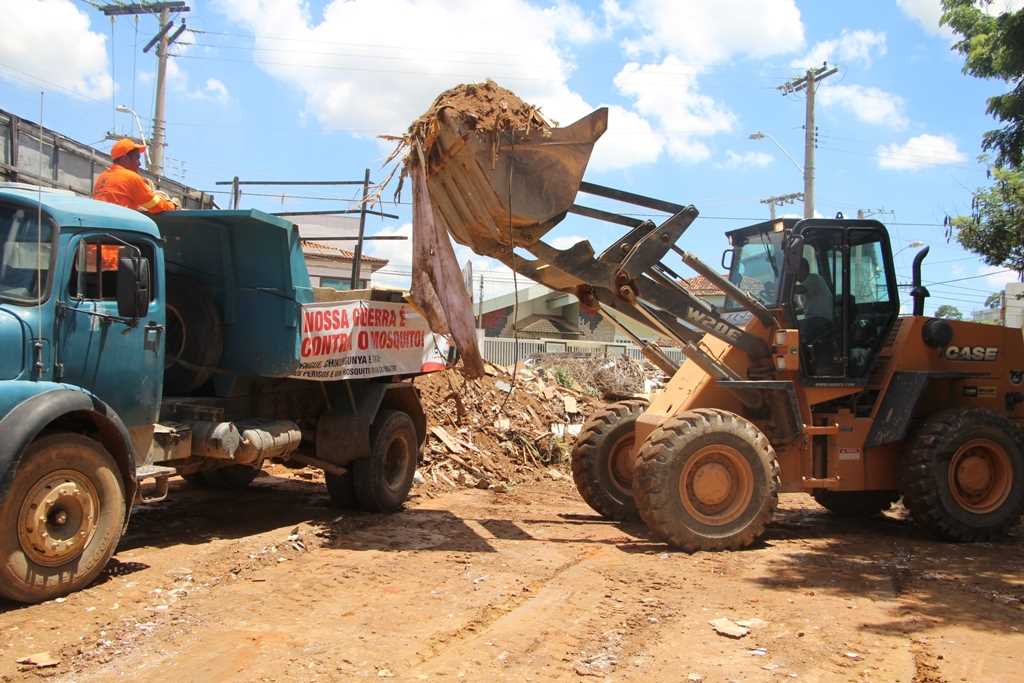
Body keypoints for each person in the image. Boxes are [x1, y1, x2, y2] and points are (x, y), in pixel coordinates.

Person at [93, 139, 178, 215]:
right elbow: (157, 206)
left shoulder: (102, 177)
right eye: (137, 158)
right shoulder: (131, 177)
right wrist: (173, 205)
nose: (139, 163)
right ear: (125, 159)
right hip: (119, 227)